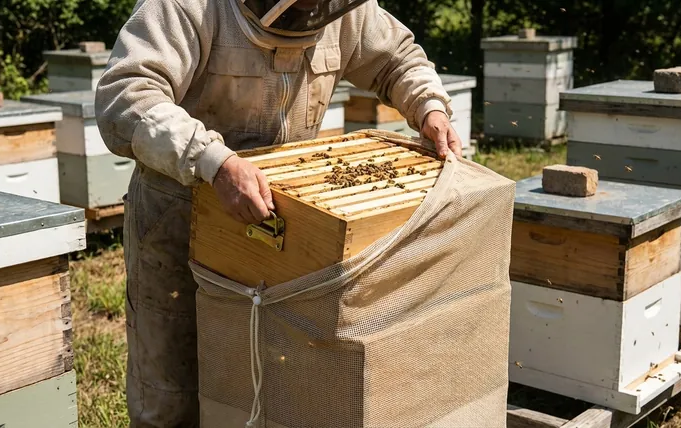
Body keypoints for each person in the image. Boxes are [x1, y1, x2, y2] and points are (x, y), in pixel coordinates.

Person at [95, 0, 463, 425]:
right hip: (181, 214)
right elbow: (126, 95)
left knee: (263, 381)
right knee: (171, 386)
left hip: (284, 222)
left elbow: (397, 58)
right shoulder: (187, 6)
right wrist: (214, 162)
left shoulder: (344, 9)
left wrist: (429, 107)